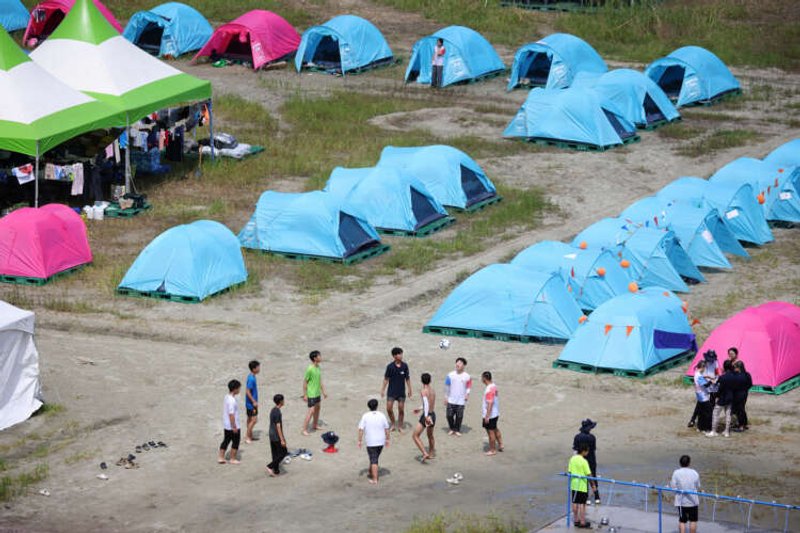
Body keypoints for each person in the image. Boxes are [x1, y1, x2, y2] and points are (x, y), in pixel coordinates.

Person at [358, 399, 390, 485]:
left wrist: (359, 440)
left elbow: (361, 429)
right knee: (374, 457)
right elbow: (386, 428)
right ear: (377, 405)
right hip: (381, 441)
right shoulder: (382, 415)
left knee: (374, 460)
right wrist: (387, 439)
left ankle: (375, 479)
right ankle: (370, 470)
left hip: (371, 442)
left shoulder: (365, 416)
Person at [380, 347, 412, 432]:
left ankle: (400, 426)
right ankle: (393, 424)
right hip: (391, 392)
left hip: (401, 392)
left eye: (401, 353)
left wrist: (409, 389)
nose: (401, 355)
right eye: (399, 354)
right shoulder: (390, 367)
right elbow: (386, 379)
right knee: (389, 408)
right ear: (394, 356)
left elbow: (407, 378)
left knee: (401, 409)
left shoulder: (405, 366)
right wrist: (383, 390)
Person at [688, 350, 720, 427]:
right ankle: (693, 419)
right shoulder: (702, 363)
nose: (711, 361)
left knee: (711, 404)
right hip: (703, 385)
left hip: (712, 386)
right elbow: (696, 372)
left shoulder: (716, 362)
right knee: (700, 404)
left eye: (712, 359)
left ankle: (708, 422)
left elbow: (717, 373)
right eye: (709, 359)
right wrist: (705, 378)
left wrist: (715, 380)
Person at [670, 455, 701, 533]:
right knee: (693, 520)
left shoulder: (676, 472)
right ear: (689, 463)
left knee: (682, 521)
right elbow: (698, 486)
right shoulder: (694, 473)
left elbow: (673, 486)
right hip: (693, 501)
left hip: (681, 501)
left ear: (680, 463)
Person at [572, 419, 600, 505]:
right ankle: (596, 497)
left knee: (583, 478)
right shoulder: (592, 437)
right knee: (593, 477)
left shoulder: (577, 437)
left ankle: (586, 498)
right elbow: (594, 449)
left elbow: (575, 450)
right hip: (591, 460)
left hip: (581, 460)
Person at [707, 359, 735, 437]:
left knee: (715, 413)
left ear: (724, 367)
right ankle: (726, 432)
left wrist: (717, 397)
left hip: (722, 398)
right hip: (730, 397)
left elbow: (719, 389)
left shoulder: (722, 377)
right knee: (728, 414)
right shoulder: (734, 376)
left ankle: (713, 431)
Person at [444, 357, 472, 436]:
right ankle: (452, 428)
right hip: (451, 399)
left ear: (464, 365)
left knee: (459, 417)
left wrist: (467, 394)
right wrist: (446, 397)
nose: (458, 364)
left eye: (460, 363)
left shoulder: (467, 376)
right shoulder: (450, 375)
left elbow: (469, 386)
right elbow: (447, 386)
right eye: (457, 362)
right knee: (449, 415)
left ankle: (457, 429)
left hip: (461, 400)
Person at [412, 373, 436, 462]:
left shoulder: (423, 391)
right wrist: (419, 408)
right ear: (430, 380)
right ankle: (431, 453)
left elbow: (426, 404)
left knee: (415, 436)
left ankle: (425, 453)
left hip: (427, 416)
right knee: (430, 436)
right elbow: (430, 404)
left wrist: (425, 416)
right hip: (433, 415)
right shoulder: (433, 390)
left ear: (421, 381)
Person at [302, 350, 327, 436]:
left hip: (317, 393)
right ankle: (304, 429)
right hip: (311, 394)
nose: (321, 357)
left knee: (318, 408)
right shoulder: (310, 369)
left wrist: (323, 391)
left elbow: (320, 380)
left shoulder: (318, 367)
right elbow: (305, 382)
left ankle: (315, 425)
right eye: (319, 356)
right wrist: (305, 394)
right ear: (315, 358)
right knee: (311, 411)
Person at [568, 444, 592, 529]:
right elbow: (589, 474)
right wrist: (593, 485)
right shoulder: (584, 461)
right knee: (582, 503)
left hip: (574, 484)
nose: (588, 453)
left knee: (575, 502)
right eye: (587, 451)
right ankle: (582, 522)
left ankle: (576, 520)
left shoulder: (572, 459)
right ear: (583, 451)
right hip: (582, 485)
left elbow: (570, 471)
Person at [218, 379, 241, 465]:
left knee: (226, 440)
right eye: (238, 388)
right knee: (235, 442)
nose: (239, 390)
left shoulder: (226, 396)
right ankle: (232, 458)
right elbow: (231, 414)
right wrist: (234, 426)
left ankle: (221, 457)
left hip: (226, 424)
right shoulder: (232, 400)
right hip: (233, 425)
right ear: (235, 389)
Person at [481, 371, 503, 456]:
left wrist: (487, 416)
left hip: (490, 414)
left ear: (484, 378)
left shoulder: (488, 389)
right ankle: (501, 444)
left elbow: (490, 403)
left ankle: (492, 450)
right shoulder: (494, 386)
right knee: (495, 429)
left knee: (490, 433)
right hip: (495, 413)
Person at [266, 394, 287, 477]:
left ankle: (276, 470)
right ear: (281, 401)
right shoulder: (278, 412)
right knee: (283, 452)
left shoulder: (273, 410)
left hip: (271, 434)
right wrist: (282, 439)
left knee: (275, 453)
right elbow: (278, 426)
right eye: (283, 400)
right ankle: (270, 466)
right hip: (276, 435)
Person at [691, 360, 713, 433]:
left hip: (699, 396)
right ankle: (707, 428)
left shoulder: (696, 373)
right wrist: (712, 381)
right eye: (705, 368)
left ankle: (700, 427)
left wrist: (705, 376)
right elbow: (706, 385)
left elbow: (700, 377)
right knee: (708, 412)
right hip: (703, 397)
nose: (705, 369)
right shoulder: (699, 376)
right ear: (702, 367)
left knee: (701, 412)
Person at [731, 360, 752, 432]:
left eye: (735, 367)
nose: (734, 369)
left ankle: (741, 426)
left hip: (737, 394)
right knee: (742, 409)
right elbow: (750, 384)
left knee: (739, 410)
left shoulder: (736, 376)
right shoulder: (747, 374)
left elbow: (733, 386)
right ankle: (745, 424)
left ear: (738, 368)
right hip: (745, 393)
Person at [245, 360, 261, 444]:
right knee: (254, 420)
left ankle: (250, 435)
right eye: (258, 367)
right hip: (251, 404)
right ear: (254, 369)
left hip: (249, 403)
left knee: (249, 419)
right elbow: (247, 391)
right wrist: (254, 401)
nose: (259, 369)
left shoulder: (251, 376)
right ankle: (247, 436)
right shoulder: (251, 379)